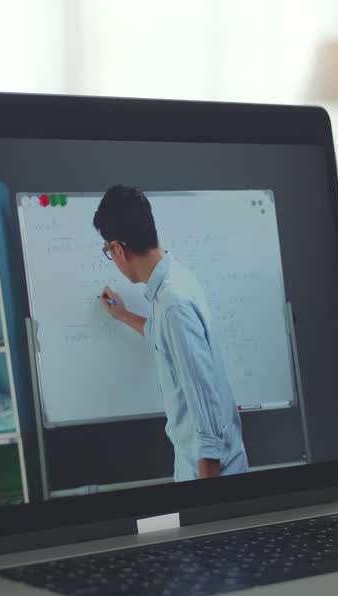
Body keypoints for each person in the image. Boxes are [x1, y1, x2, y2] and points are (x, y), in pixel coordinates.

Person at [94, 185, 248, 481]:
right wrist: (123, 315)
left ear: (119, 249)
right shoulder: (174, 283)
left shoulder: (173, 303)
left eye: (107, 251)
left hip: (208, 473)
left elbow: (205, 409)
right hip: (197, 464)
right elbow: (164, 337)